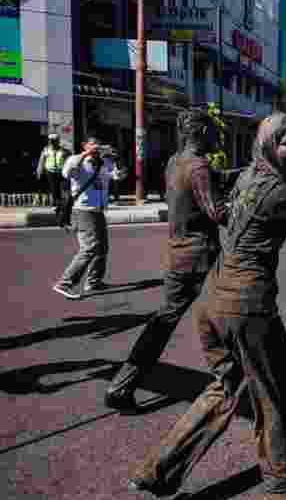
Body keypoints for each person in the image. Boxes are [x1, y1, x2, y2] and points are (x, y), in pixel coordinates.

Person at [130, 98, 286, 496]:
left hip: (213, 302)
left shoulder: (248, 176)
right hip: (247, 308)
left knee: (224, 386)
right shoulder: (279, 196)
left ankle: (157, 469)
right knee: (274, 388)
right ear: (270, 148)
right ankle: (280, 472)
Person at [104, 110, 230, 414]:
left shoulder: (176, 161)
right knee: (231, 315)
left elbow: (212, 182)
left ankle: (122, 385)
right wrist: (249, 204)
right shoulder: (199, 166)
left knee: (162, 324)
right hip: (200, 258)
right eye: (213, 132)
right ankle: (235, 380)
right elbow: (218, 213)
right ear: (200, 133)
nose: (217, 137)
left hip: (178, 257)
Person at [53, 135, 127, 299]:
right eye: (93, 145)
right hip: (82, 210)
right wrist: (86, 154)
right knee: (90, 247)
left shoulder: (104, 163)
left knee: (102, 248)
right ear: (84, 145)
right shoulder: (76, 160)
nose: (96, 148)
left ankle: (93, 281)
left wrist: (117, 159)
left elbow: (119, 175)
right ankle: (65, 283)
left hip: (98, 210)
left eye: (98, 145)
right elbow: (66, 173)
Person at [37, 133, 69, 213]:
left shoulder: (64, 151)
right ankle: (56, 204)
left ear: (58, 141)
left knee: (64, 189)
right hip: (50, 172)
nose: (53, 143)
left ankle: (64, 204)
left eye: (55, 141)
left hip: (62, 172)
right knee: (54, 189)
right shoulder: (46, 150)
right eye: (51, 141)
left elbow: (69, 161)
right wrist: (39, 171)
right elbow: (41, 161)